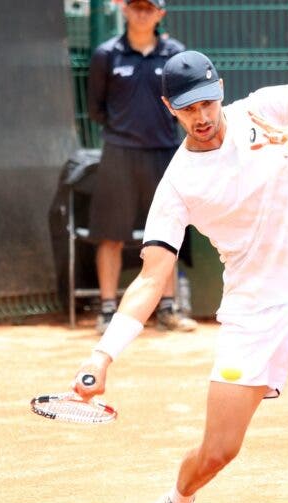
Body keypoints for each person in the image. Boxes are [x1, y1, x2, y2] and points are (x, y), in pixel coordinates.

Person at [74, 51, 288, 503]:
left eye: (208, 102)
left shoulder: (262, 110)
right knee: (218, 452)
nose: (202, 116)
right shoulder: (178, 184)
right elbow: (151, 278)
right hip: (250, 315)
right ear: (169, 108)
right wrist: (103, 355)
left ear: (222, 90)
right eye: (188, 108)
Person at [87, 0, 196, 333]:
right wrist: (124, 131)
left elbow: (188, 104)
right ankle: (107, 309)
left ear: (160, 14)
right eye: (136, 6)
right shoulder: (106, 54)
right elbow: (96, 107)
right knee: (110, 234)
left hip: (165, 154)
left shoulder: (175, 55)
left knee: (167, 233)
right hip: (118, 154)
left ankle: (166, 309)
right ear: (125, 10)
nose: (142, 13)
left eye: (149, 8)